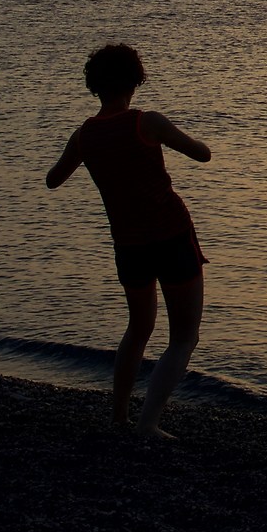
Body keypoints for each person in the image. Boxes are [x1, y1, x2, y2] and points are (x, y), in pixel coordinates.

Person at [45, 43, 213, 438]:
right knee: (184, 337)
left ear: (95, 86)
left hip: (129, 245)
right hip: (172, 237)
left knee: (138, 329)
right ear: (134, 81)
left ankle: (119, 417)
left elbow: (53, 180)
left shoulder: (84, 136)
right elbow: (202, 154)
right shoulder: (146, 123)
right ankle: (148, 423)